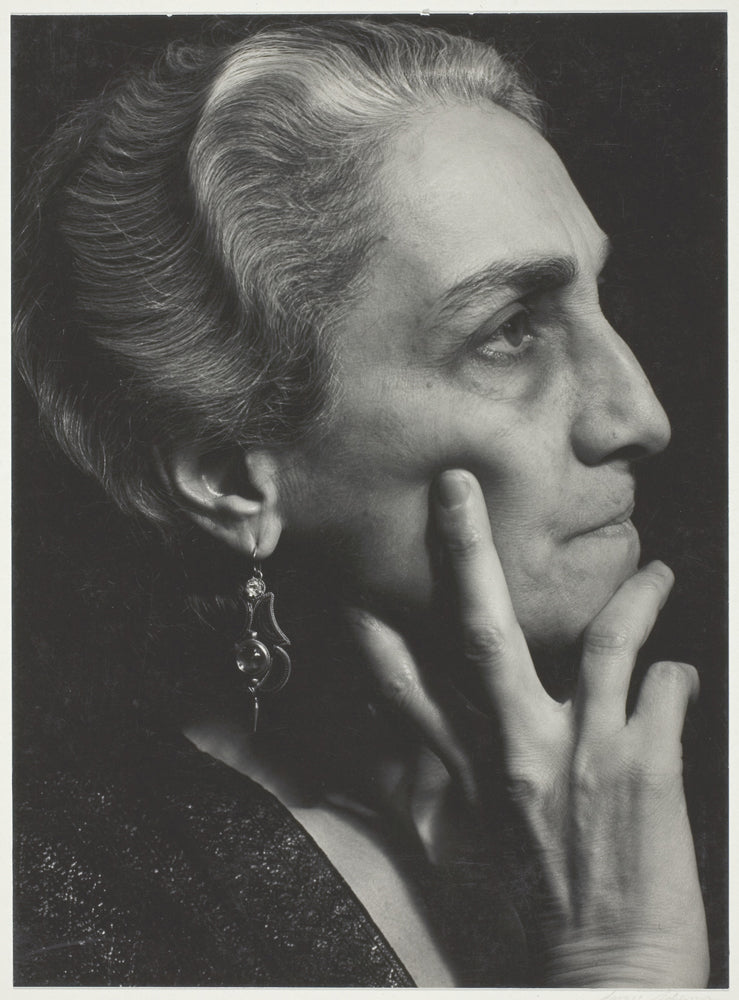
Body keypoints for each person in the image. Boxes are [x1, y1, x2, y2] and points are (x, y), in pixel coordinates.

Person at [13, 16, 720, 987]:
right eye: (510, 330)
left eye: (599, 297)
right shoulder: (62, 915)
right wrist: (625, 965)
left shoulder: (655, 802)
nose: (640, 416)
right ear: (232, 482)